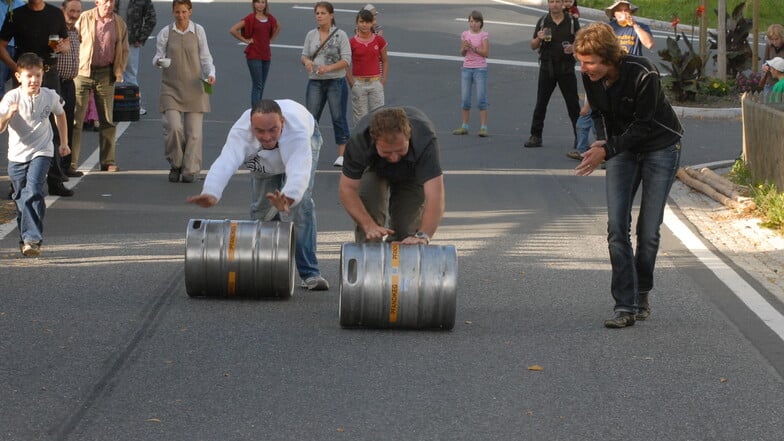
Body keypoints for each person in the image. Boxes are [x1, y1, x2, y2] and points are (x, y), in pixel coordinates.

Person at [573, 23, 683, 329]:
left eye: (590, 62)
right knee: (616, 227)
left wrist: (607, 149)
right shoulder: (590, 76)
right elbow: (597, 112)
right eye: (582, 62)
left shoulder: (642, 72)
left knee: (648, 230)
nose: (584, 68)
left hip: (660, 147)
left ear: (608, 57)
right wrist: (601, 140)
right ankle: (625, 305)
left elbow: (645, 125)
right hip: (622, 149)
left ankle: (641, 291)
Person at [186, 99, 330, 291]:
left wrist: (289, 197)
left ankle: (310, 273)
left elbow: (299, 171)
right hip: (262, 158)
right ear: (251, 126)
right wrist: (211, 192)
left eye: (272, 129)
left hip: (305, 140)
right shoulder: (242, 133)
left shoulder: (297, 132)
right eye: (260, 131)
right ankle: (270, 266)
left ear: (283, 123)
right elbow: (226, 162)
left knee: (301, 205)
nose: (267, 137)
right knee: (261, 211)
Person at [339, 107, 445, 245]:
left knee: (407, 233)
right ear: (374, 141)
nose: (394, 158)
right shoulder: (359, 141)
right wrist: (367, 224)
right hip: (374, 168)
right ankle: (370, 262)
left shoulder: (425, 139)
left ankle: (399, 264)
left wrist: (423, 235)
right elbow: (347, 189)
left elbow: (435, 194)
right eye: (387, 152)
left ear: (409, 136)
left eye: (400, 150)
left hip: (412, 171)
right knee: (370, 229)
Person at [0, 0, 73, 197]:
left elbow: (66, 42)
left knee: (54, 123)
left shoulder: (55, 13)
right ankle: (17, 182)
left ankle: (56, 180)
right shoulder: (16, 14)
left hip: (48, 73)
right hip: (25, 75)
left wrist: (61, 47)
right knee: (20, 124)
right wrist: (15, 67)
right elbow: (2, 45)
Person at [0, 53, 70, 256]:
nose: (34, 80)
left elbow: (60, 113)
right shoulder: (11, 97)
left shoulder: (49, 95)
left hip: (42, 150)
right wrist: (7, 116)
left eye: (37, 75)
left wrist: (64, 142)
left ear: (42, 75)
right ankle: (27, 241)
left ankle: (32, 238)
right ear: (18, 76)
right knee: (21, 198)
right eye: (29, 76)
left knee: (34, 191)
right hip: (17, 155)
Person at [152, 0, 215, 183]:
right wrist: (159, 61)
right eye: (177, 12)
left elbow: (205, 57)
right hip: (170, 87)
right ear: (173, 12)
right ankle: (176, 163)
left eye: (184, 12)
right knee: (173, 127)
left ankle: (190, 170)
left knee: (194, 133)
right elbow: (157, 56)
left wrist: (210, 74)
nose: (181, 15)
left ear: (190, 12)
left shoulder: (198, 31)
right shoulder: (165, 33)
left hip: (195, 87)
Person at [71, 0, 129, 173]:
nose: (109, 5)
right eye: (105, 1)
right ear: (97, 2)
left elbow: (124, 49)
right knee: (76, 120)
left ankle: (108, 161)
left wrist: (119, 69)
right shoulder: (85, 18)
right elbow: (74, 42)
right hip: (83, 72)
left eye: (112, 1)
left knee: (107, 119)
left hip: (106, 73)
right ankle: (71, 163)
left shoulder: (119, 23)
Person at [523, 0, 580, 151]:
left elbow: (581, 42)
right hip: (547, 68)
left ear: (563, 4)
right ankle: (535, 136)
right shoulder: (543, 21)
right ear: (548, 4)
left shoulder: (572, 21)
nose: (554, 4)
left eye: (557, 1)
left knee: (573, 105)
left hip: (566, 68)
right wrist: (539, 38)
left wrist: (573, 47)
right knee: (541, 103)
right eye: (551, 1)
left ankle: (580, 139)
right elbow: (533, 45)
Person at [300, 1, 350, 168]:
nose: (319, 16)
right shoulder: (310, 35)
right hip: (315, 81)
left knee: (338, 117)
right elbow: (304, 55)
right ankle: (308, 150)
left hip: (336, 80)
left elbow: (346, 60)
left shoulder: (340, 35)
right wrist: (307, 62)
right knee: (311, 117)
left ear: (331, 15)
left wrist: (329, 68)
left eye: (323, 13)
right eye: (317, 13)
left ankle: (342, 155)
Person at [229, 0, 280, 107]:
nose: (260, 4)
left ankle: (259, 107)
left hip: (266, 55)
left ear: (266, 4)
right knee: (258, 84)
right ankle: (256, 110)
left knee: (262, 85)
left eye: (263, 2)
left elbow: (278, 27)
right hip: (253, 55)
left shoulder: (270, 18)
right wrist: (245, 40)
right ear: (253, 4)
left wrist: (271, 39)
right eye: (258, 2)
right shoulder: (250, 18)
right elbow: (233, 30)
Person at [346, 8, 387, 126]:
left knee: (379, 118)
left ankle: (376, 144)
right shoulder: (351, 42)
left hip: (376, 83)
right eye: (361, 21)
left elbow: (385, 60)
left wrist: (383, 79)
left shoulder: (379, 40)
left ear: (372, 23)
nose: (364, 25)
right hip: (358, 84)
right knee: (360, 121)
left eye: (367, 22)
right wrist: (351, 82)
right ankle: (361, 144)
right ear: (357, 23)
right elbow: (345, 63)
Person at [452, 10, 489, 137]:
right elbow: (462, 53)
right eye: (471, 21)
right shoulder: (464, 34)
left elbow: (486, 53)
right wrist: (465, 48)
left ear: (480, 23)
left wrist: (473, 48)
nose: (473, 24)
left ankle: (483, 127)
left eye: (476, 21)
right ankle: (464, 126)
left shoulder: (483, 35)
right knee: (465, 99)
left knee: (481, 99)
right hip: (467, 68)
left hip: (480, 69)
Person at [116, 0, 156, 115]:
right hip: (112, 40)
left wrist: (141, 37)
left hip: (131, 42)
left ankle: (134, 105)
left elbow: (151, 18)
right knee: (108, 74)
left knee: (130, 75)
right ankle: (108, 105)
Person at [58, 0, 82, 178]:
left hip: (69, 82)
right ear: (63, 10)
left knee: (70, 122)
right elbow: (50, 51)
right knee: (57, 125)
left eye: (77, 11)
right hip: (55, 82)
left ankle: (67, 166)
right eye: (71, 11)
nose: (74, 15)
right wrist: (59, 46)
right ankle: (56, 168)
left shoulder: (75, 31)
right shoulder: (56, 29)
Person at [0, 0, 24, 98]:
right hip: (2, 47)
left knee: (20, 83)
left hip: (19, 47)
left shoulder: (21, 4)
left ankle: (18, 111)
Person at [761, 24, 784, 98]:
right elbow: (766, 60)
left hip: (781, 82)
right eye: (772, 39)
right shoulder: (769, 45)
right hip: (770, 81)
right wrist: (765, 66)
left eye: (776, 39)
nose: (774, 42)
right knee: (767, 104)